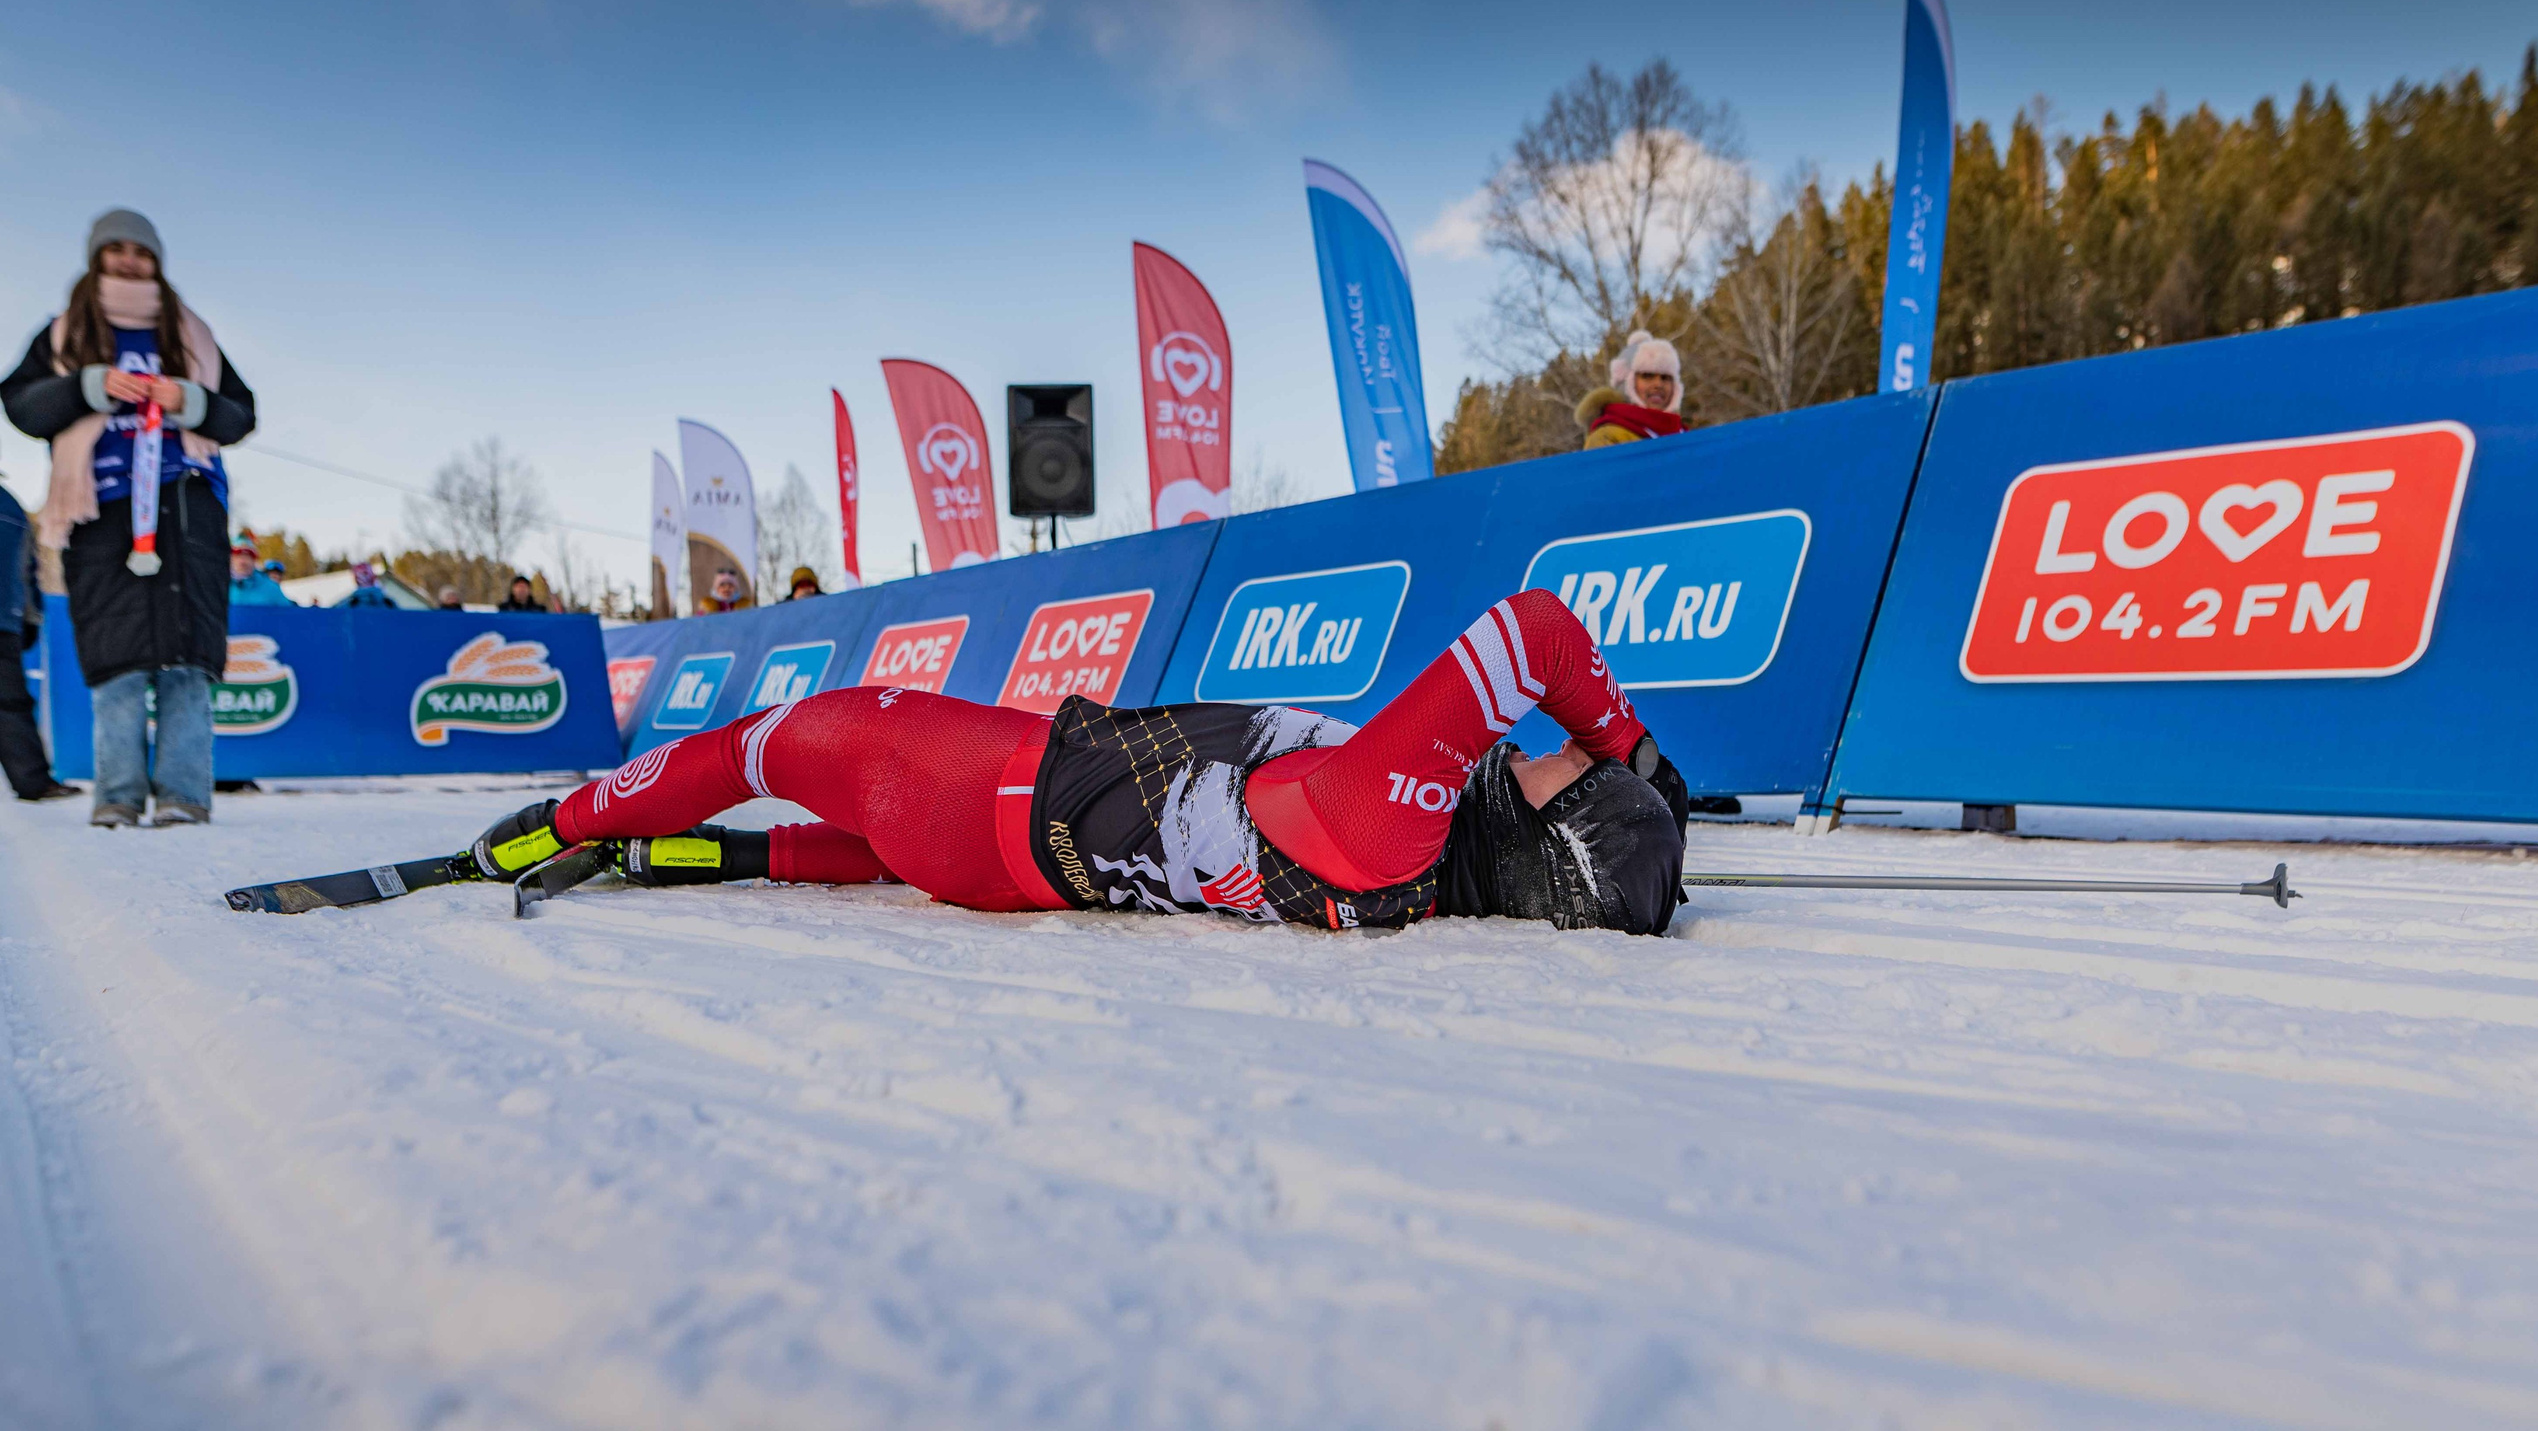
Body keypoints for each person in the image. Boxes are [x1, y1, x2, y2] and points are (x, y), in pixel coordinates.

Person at [467, 588, 1692, 936]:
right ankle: (723, 858)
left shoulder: (1385, 816)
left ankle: (563, 822)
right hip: (1002, 869)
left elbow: (1538, 632)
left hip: (983, 784)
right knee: (869, 845)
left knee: (767, 740)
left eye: (1575, 777)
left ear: (1552, 823)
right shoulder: (1399, 870)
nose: (1552, 755)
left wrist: (1631, 746)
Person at [1, 209, 256, 827]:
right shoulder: (62, 333)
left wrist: (190, 400)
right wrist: (88, 386)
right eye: (115, 249)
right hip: (98, 510)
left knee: (188, 656)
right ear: (96, 258)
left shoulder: (190, 332)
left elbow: (241, 415)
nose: (129, 260)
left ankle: (184, 795)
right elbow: (22, 405)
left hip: (187, 508)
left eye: (141, 252)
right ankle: (117, 795)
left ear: (157, 261)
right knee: (115, 656)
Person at [0, 470, 80, 802]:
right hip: (6, 618)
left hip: (6, 618)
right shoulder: (11, 505)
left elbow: (27, 567)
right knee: (10, 703)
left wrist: (29, 615)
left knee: (11, 703)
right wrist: (30, 616)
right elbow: (29, 569)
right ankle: (34, 782)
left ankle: (34, 781)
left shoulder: (10, 506)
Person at [1576, 331, 1688, 450]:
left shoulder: (1684, 435)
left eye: (1665, 378)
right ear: (1627, 383)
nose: (1658, 384)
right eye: (1647, 376)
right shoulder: (1607, 436)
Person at [228, 535, 292, 605]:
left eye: (248, 557)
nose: (243, 562)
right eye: (238, 556)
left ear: (254, 561)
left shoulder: (270, 588)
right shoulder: (221, 585)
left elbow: (287, 610)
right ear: (230, 558)